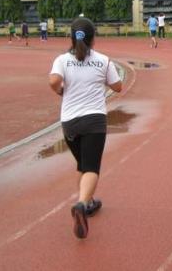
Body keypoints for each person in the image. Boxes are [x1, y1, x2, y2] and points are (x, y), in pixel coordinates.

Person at [49, 17, 122, 239]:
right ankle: (81, 204)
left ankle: (88, 202)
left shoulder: (62, 60)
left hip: (70, 121)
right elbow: (118, 87)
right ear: (93, 38)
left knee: (82, 163)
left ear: (71, 37)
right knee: (91, 167)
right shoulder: (103, 60)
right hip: (94, 120)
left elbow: (53, 81)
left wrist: (61, 91)